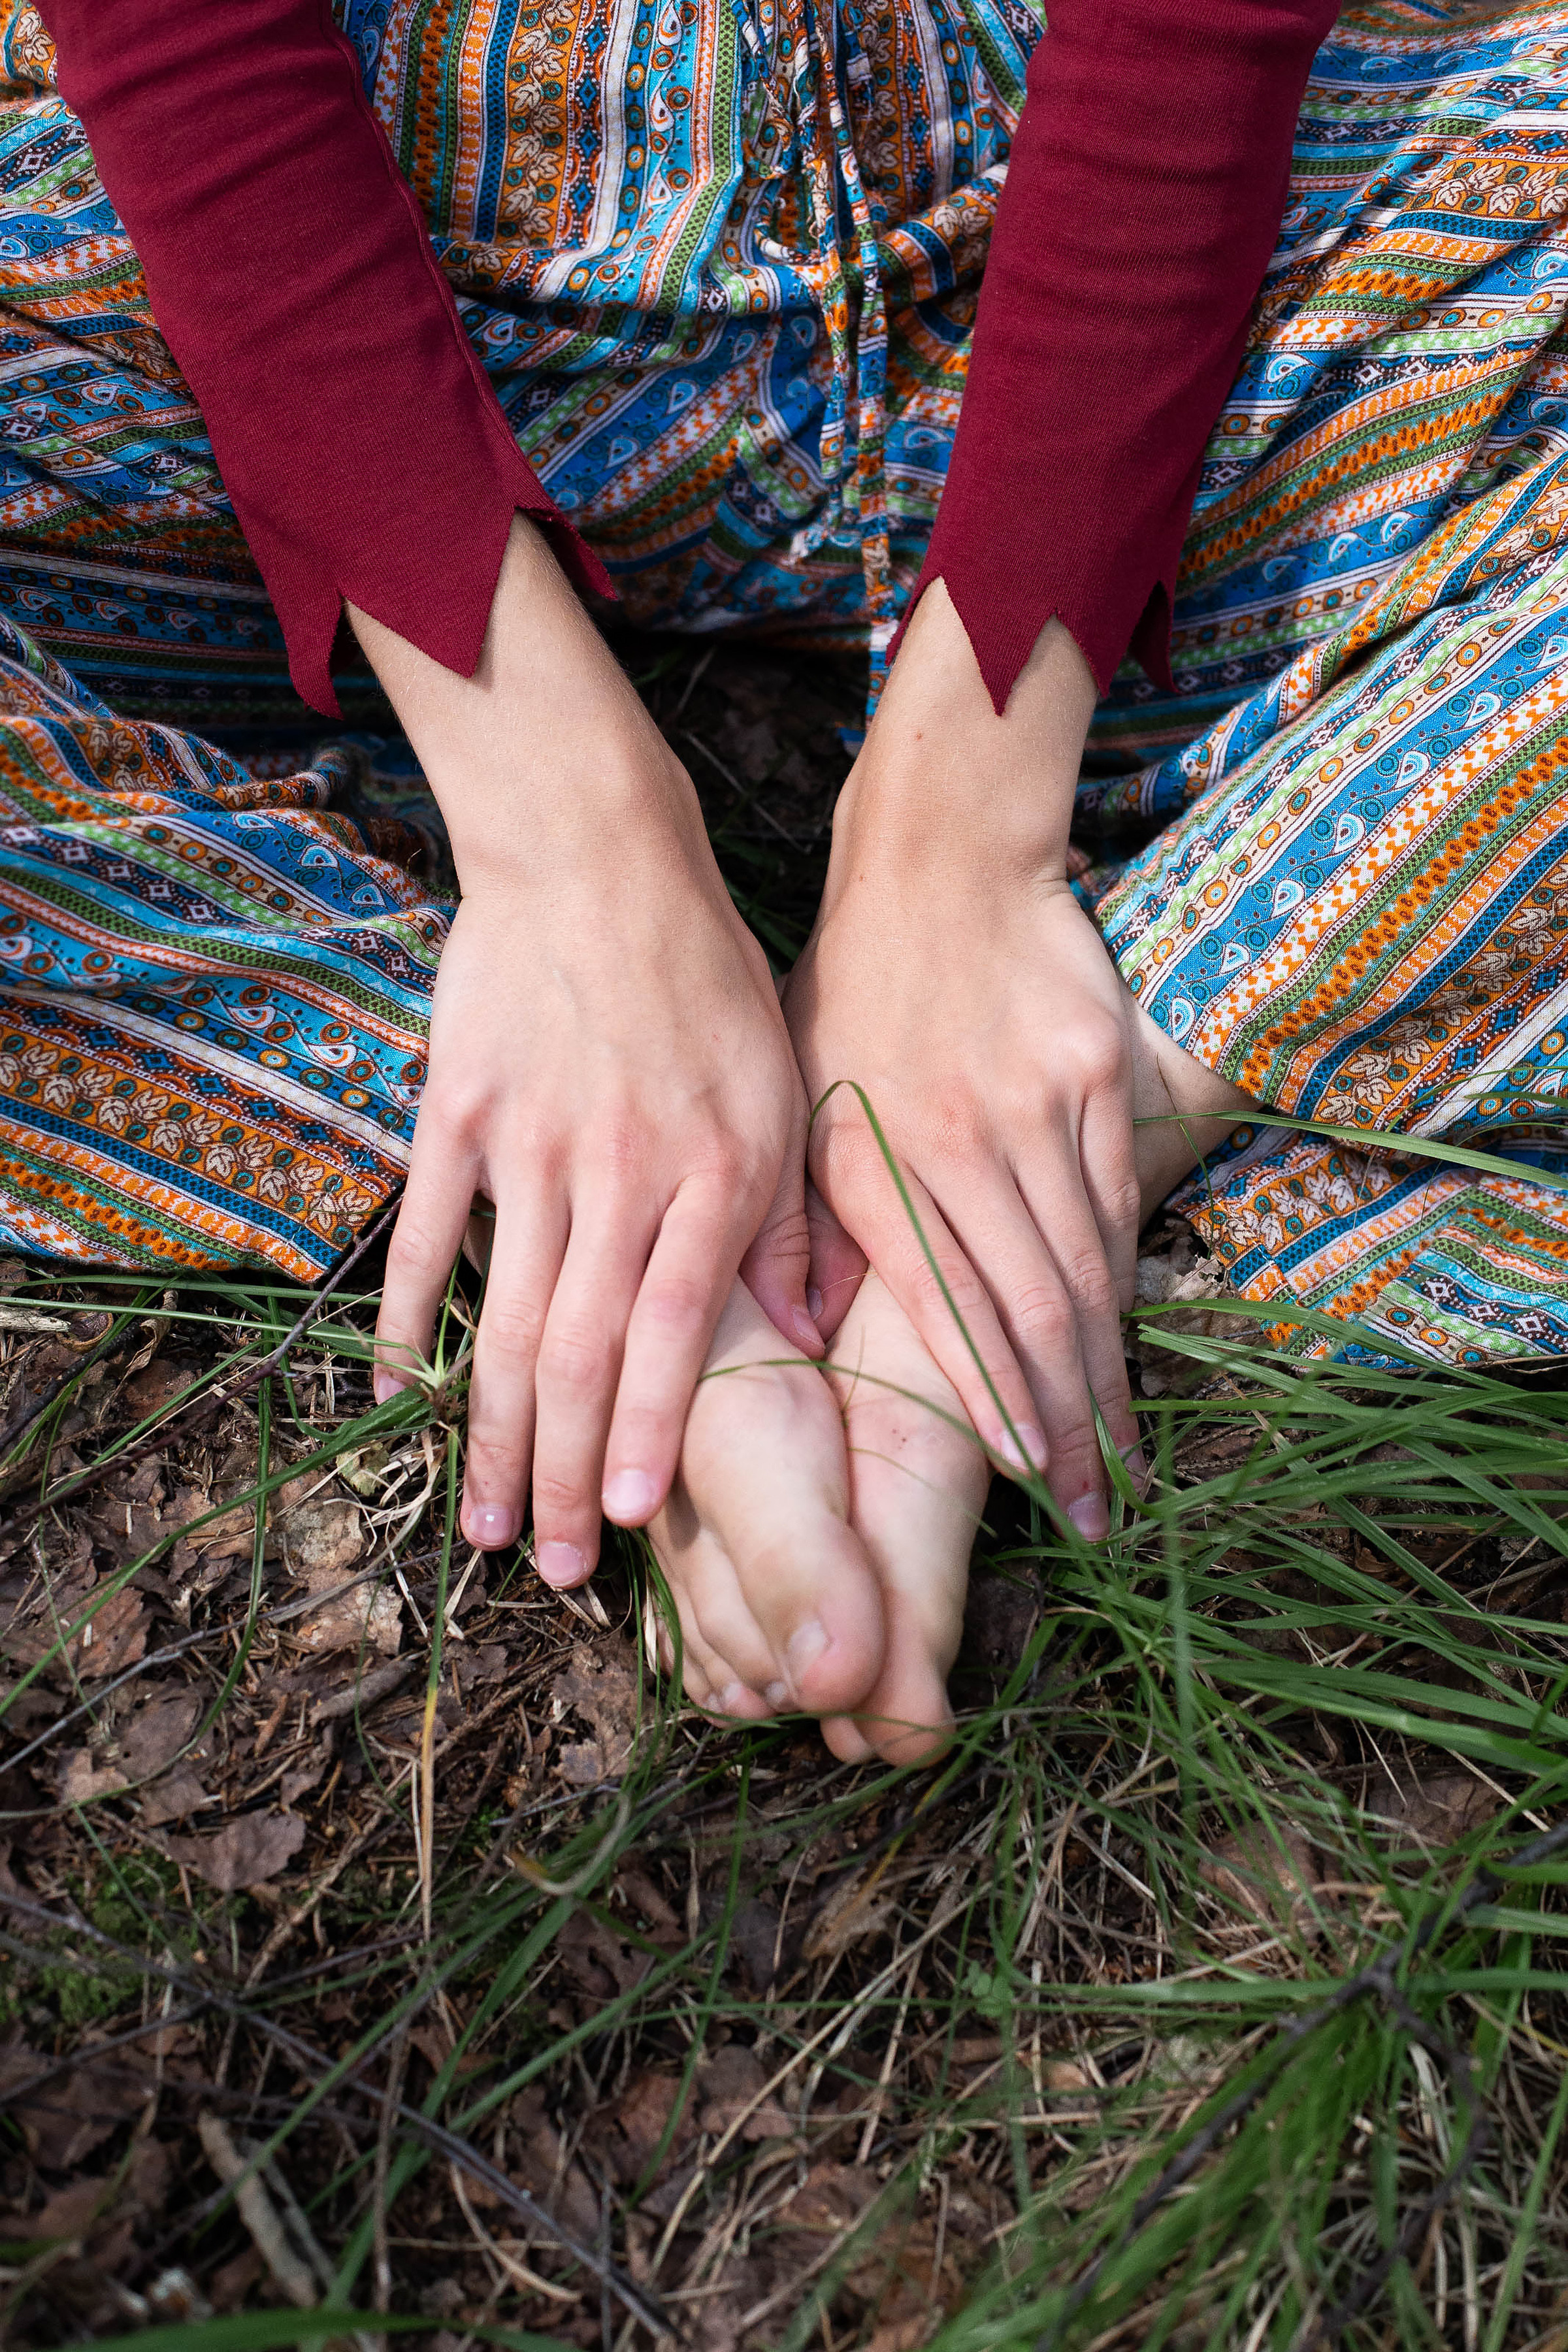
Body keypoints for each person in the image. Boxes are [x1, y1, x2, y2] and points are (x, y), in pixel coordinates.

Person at [5, 0, 1568, 1761]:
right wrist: (568, 835)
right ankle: (610, 1204)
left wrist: (961, 820)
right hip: (339, 269)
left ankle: (1050, 1141)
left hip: (1110, 236)